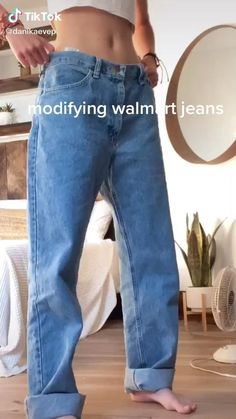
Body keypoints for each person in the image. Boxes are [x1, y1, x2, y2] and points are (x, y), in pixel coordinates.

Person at [0, 1, 197, 418]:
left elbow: (141, 23)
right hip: (73, 82)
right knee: (58, 251)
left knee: (151, 247)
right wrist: (13, 26)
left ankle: (151, 377)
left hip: (135, 94)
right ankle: (53, 400)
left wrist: (147, 58)